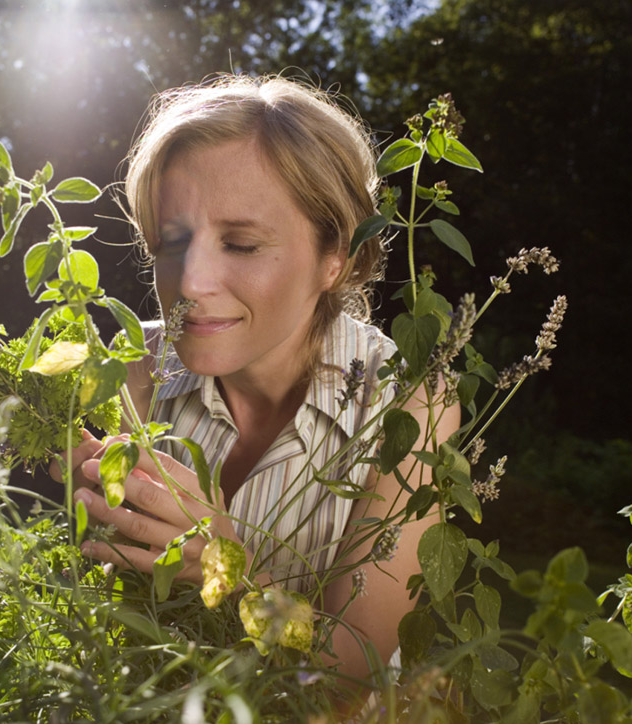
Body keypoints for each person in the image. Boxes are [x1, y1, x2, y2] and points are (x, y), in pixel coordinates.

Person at [54, 73, 459, 691]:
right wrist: (84, 516)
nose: (190, 282)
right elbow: (101, 616)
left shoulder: (410, 400)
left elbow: (358, 666)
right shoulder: (131, 363)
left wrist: (229, 571)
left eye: (240, 244)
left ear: (338, 259)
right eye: (171, 241)